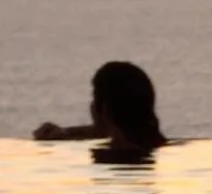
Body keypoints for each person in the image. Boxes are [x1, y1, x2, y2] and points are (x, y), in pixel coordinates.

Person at [34, 61, 166, 158]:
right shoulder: (157, 144)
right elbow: (111, 129)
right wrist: (65, 133)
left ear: (104, 109)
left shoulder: (113, 160)